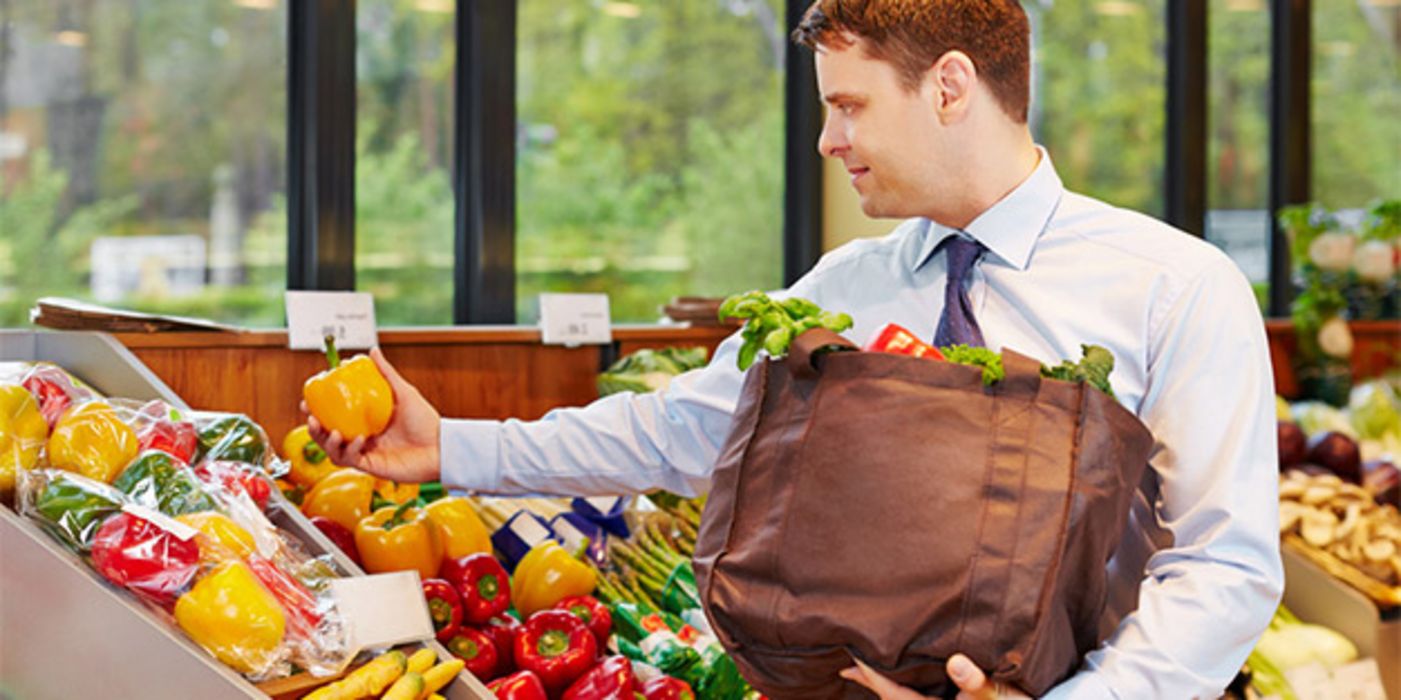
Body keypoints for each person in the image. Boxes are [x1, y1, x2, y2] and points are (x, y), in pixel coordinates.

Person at [310, 1, 1283, 697]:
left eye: (851, 105)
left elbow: (1224, 568)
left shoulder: (1174, 285)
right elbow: (683, 430)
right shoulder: (844, 288)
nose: (826, 138)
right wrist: (453, 449)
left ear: (950, 86)